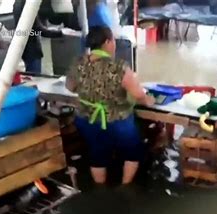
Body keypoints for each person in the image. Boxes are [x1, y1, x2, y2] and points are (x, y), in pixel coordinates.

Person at [66, 26, 155, 185]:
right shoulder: (119, 67)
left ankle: (100, 190)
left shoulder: (78, 63)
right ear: (107, 42)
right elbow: (138, 95)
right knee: (132, 152)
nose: (114, 44)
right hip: (117, 121)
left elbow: (70, 87)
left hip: (88, 120)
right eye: (113, 40)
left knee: (97, 154)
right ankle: (125, 186)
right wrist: (149, 100)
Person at [13, 0, 64, 73]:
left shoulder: (17, 2)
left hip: (22, 47)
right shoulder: (29, 4)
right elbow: (38, 29)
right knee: (34, 77)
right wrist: (60, 33)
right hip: (32, 49)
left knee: (28, 77)